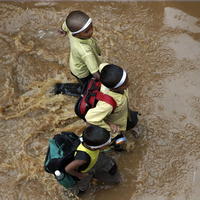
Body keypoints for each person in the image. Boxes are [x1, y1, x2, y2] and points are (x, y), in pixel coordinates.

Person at [85, 63, 139, 149]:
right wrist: (109, 126)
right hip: (116, 124)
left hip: (123, 114)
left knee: (132, 120)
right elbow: (90, 117)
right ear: (114, 89)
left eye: (127, 78)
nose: (128, 83)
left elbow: (102, 65)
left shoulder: (110, 78)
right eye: (125, 84)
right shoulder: (108, 104)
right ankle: (115, 146)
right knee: (117, 141)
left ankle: (127, 131)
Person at [55, 10, 102, 96]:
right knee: (88, 87)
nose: (91, 31)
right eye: (87, 31)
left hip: (76, 65)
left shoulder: (72, 28)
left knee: (85, 84)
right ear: (76, 35)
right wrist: (108, 83)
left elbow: (65, 24)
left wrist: (62, 30)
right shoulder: (86, 52)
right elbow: (95, 73)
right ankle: (59, 89)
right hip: (83, 72)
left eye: (91, 26)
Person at [65, 125, 121, 194]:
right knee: (82, 187)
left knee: (110, 166)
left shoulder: (87, 139)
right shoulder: (82, 159)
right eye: (106, 144)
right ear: (95, 148)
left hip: (92, 160)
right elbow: (68, 169)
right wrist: (79, 175)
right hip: (85, 171)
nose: (109, 143)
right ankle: (79, 191)